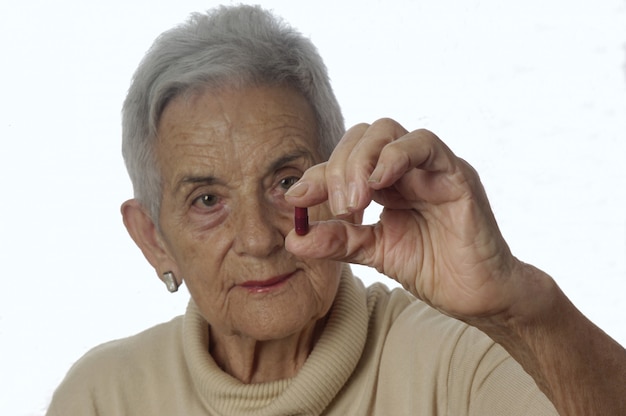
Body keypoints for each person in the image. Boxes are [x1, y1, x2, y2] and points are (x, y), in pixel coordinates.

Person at [46, 5, 625, 415]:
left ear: (345, 181)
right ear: (153, 238)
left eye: (288, 181)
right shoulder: (103, 398)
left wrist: (515, 305)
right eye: (207, 200)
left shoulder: (460, 360)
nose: (257, 238)